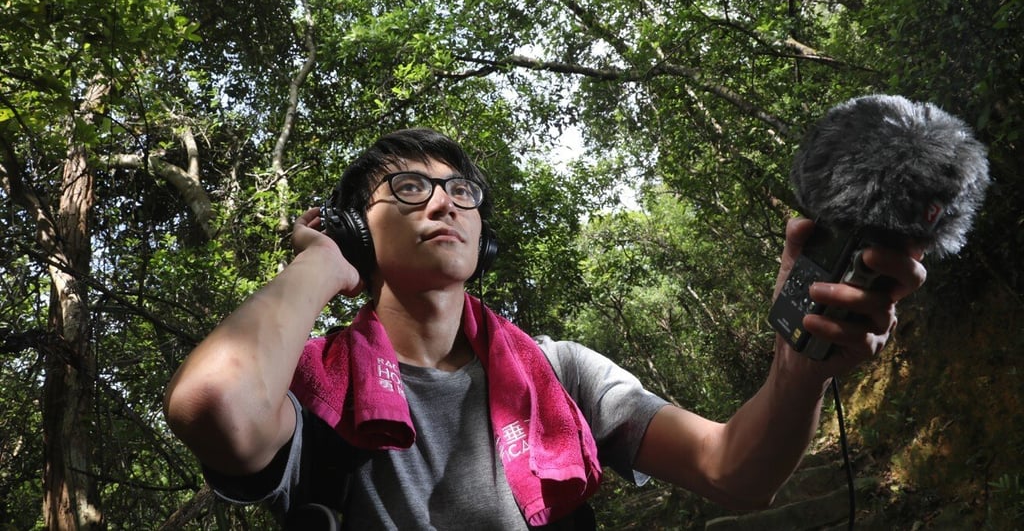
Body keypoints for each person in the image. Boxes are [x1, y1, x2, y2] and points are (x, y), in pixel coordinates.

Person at [164, 127, 927, 529]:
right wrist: (324, 265)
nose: (444, 203)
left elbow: (737, 472)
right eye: (408, 188)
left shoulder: (556, 372)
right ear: (357, 233)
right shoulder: (310, 389)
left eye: (460, 190)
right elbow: (212, 404)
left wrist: (801, 365)